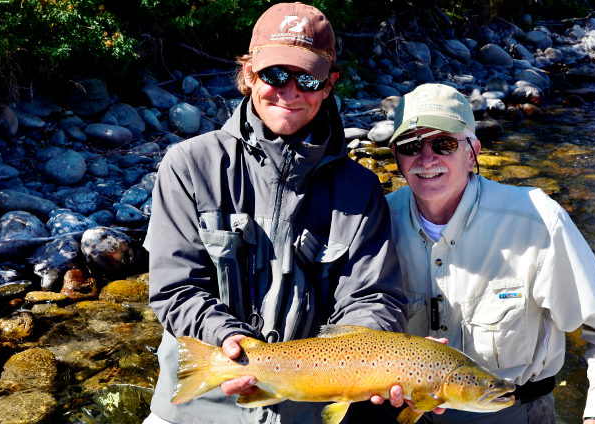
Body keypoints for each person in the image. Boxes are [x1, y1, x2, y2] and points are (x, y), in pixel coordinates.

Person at [142, 3, 408, 424]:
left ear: (329, 84)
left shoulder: (360, 189)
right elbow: (175, 289)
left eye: (307, 78)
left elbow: (374, 296)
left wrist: (372, 355)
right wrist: (227, 339)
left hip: (309, 408)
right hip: (200, 407)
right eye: (274, 74)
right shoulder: (189, 165)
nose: (289, 91)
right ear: (248, 74)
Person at [376, 83, 595, 424]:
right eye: (411, 145)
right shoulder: (376, 223)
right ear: (396, 156)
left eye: (443, 144)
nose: (427, 159)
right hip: (410, 414)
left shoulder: (538, 220)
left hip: (515, 412)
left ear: (473, 151)